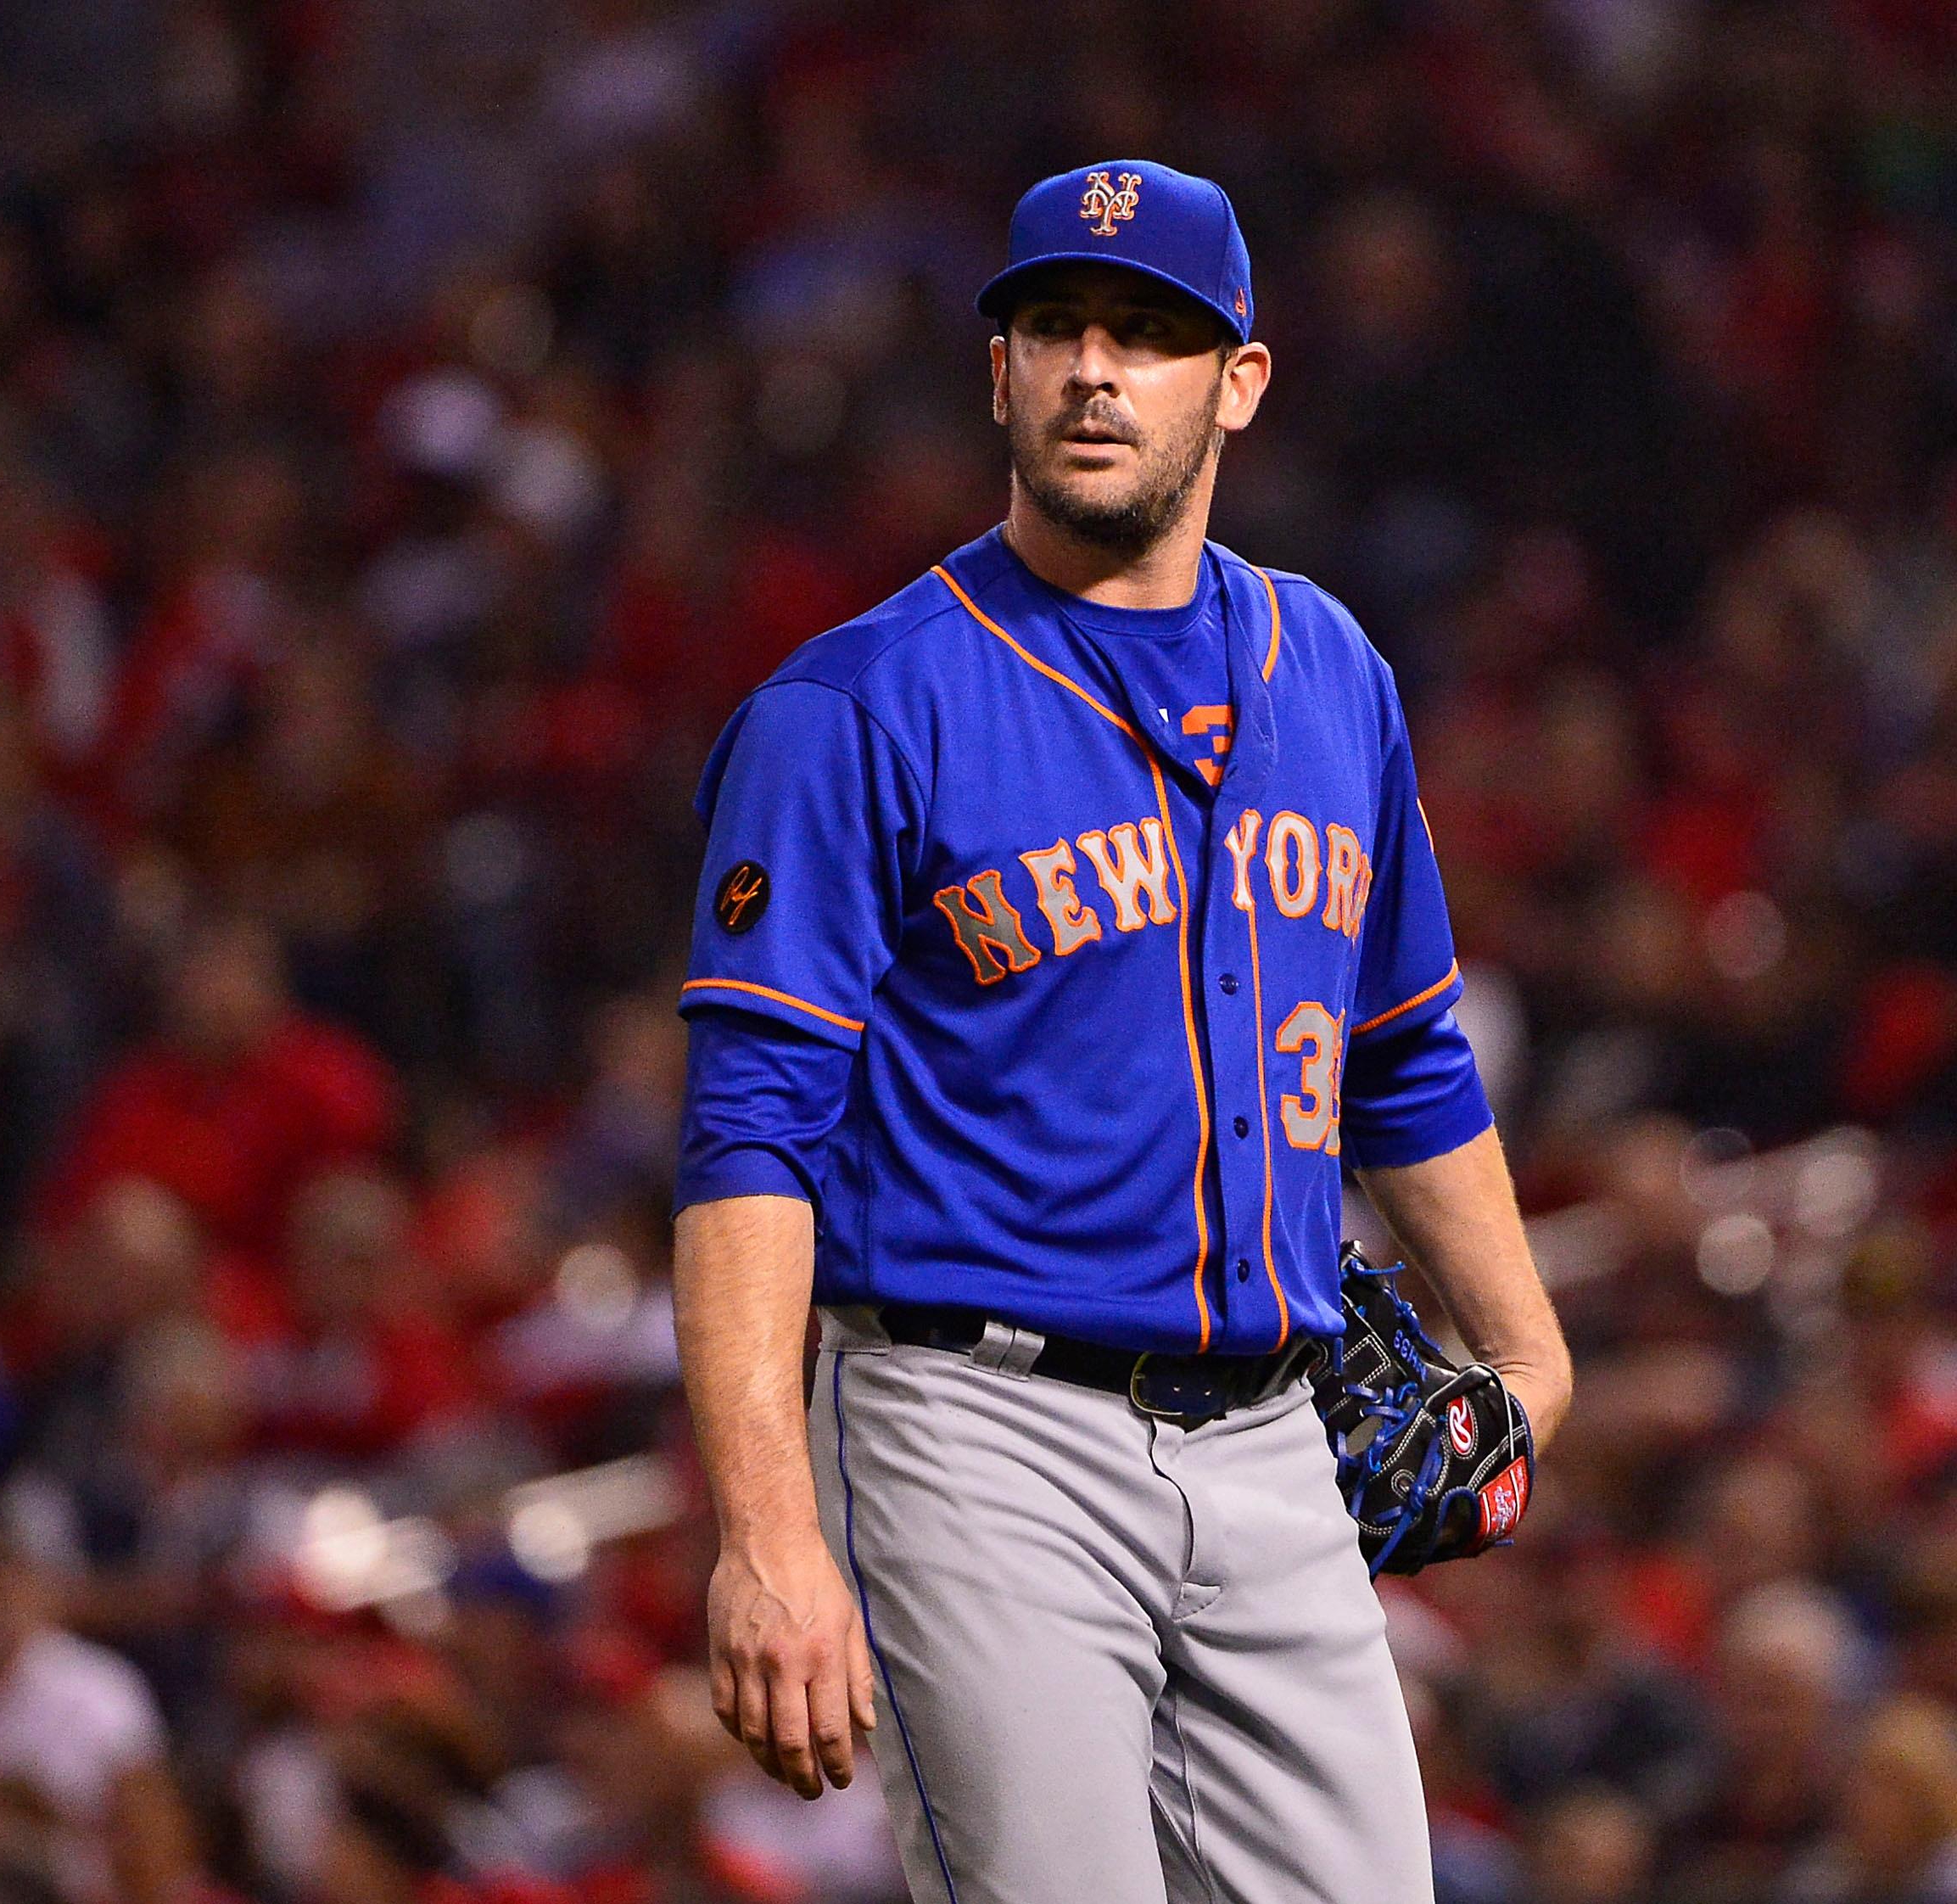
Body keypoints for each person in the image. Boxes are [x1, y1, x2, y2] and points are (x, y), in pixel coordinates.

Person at [668, 160, 1574, 1903]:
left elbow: (1404, 1057)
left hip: (1276, 1440)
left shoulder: (1331, 670)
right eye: (1056, 329)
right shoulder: (854, 708)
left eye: (1149, 335)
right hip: (975, 1430)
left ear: (1236, 381)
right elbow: (749, 1134)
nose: (1096, 370)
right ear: (995, 371)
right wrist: (768, 1532)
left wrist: (1527, 1358)